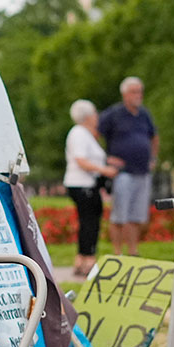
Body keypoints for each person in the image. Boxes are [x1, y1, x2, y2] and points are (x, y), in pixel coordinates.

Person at [98, 76, 159, 256]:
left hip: (142, 171)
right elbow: (96, 133)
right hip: (122, 172)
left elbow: (154, 136)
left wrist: (153, 158)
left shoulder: (144, 115)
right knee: (119, 215)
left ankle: (133, 250)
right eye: (134, 92)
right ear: (124, 94)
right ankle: (117, 252)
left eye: (140, 91)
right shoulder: (113, 114)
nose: (138, 95)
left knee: (136, 216)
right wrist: (106, 157)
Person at [63, 99, 119, 277]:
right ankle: (87, 260)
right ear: (87, 116)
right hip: (83, 184)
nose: (97, 117)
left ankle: (83, 259)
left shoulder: (86, 134)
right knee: (90, 222)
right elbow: (81, 161)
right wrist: (105, 170)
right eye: (95, 113)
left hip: (86, 184)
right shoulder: (79, 133)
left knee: (88, 221)